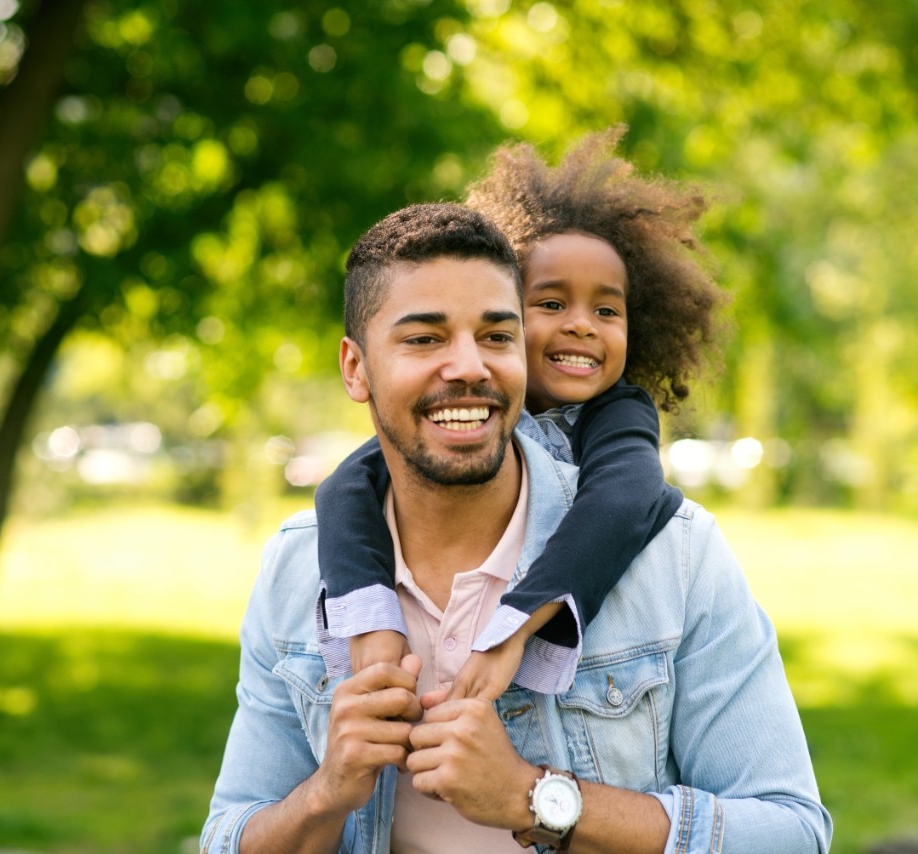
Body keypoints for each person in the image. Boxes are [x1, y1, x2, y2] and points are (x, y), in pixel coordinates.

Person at [201, 202, 832, 852]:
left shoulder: (676, 557)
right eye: (425, 338)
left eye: (497, 336)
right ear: (355, 368)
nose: (470, 365)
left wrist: (538, 799)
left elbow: (792, 834)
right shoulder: (296, 572)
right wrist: (326, 793)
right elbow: (227, 835)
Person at [314, 127, 725, 701]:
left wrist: (520, 623)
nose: (582, 324)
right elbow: (346, 488)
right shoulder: (466, 408)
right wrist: (370, 619)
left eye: (607, 309)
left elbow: (623, 501)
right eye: (552, 304)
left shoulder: (617, 414)